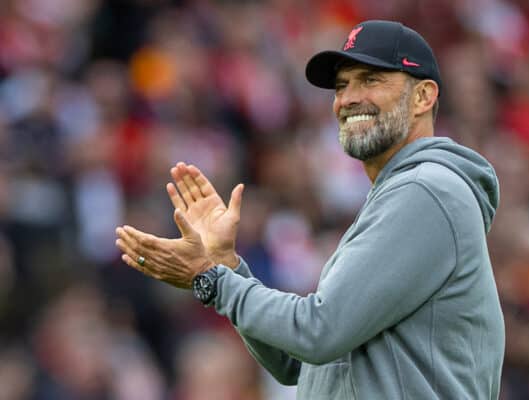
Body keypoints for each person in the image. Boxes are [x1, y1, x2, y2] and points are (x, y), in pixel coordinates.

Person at [115, 20, 505, 399]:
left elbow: (316, 333)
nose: (348, 98)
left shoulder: (426, 190)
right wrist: (227, 266)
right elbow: (296, 361)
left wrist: (211, 280)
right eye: (341, 85)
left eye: (370, 80)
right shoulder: (405, 192)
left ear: (423, 97)